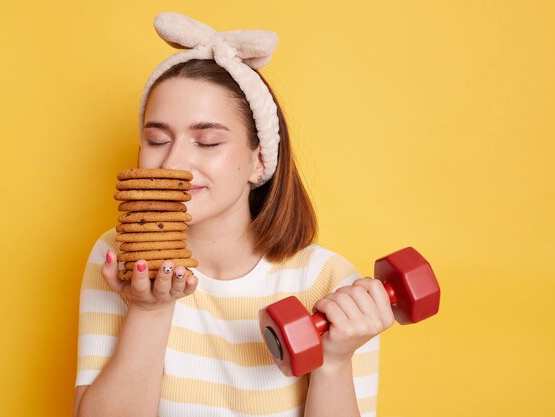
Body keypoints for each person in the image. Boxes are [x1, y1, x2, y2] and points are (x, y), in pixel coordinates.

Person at [73, 12, 393, 417]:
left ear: (260, 161)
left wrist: (333, 363)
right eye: (156, 139)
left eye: (207, 142)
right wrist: (148, 311)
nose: (173, 162)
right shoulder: (121, 259)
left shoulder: (327, 282)